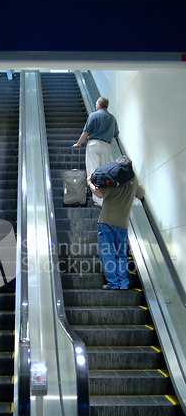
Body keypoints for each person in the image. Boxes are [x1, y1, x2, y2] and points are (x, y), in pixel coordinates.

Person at [87, 156, 145, 290]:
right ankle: (123, 283)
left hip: (106, 222)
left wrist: (89, 182)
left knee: (107, 253)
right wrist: (138, 184)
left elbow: (99, 194)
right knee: (121, 254)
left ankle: (113, 283)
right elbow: (141, 194)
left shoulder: (113, 180)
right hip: (122, 224)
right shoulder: (133, 182)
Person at [73, 96, 119, 207]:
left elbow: (85, 133)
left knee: (93, 171)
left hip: (94, 144)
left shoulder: (94, 115)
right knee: (104, 172)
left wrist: (78, 144)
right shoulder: (112, 118)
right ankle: (104, 199)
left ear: (98, 104)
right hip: (107, 146)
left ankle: (97, 200)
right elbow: (116, 136)